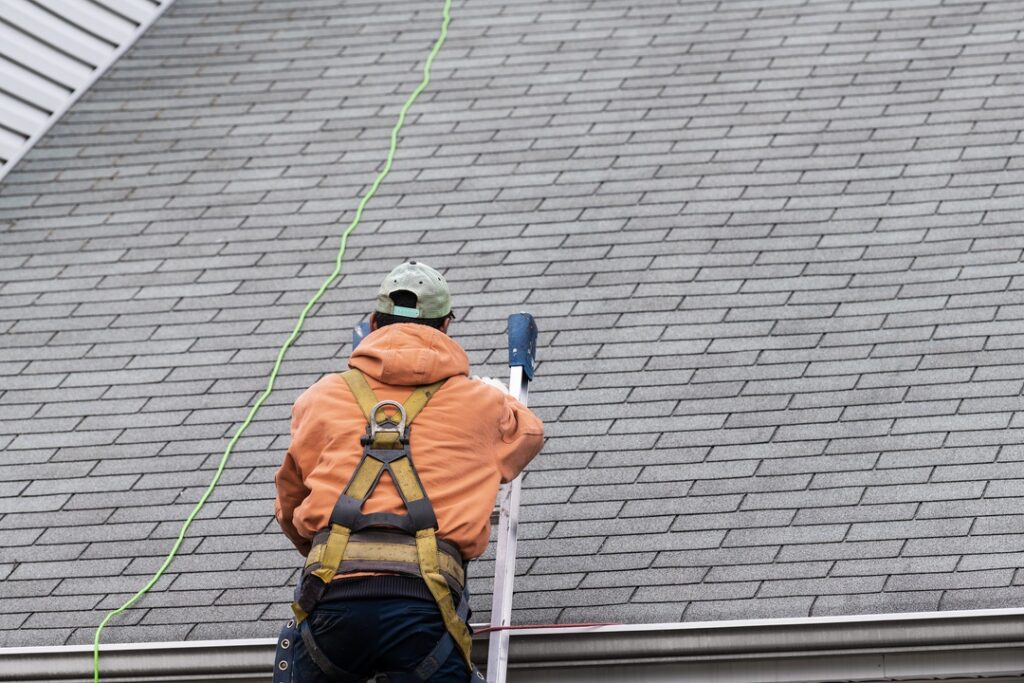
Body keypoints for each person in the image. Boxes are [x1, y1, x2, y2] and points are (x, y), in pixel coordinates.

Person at [273, 261, 545, 682]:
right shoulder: (480, 404)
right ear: (446, 326)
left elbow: (290, 502)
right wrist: (494, 401)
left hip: (332, 599)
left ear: (373, 324)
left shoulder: (321, 398)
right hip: (425, 605)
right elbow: (528, 434)